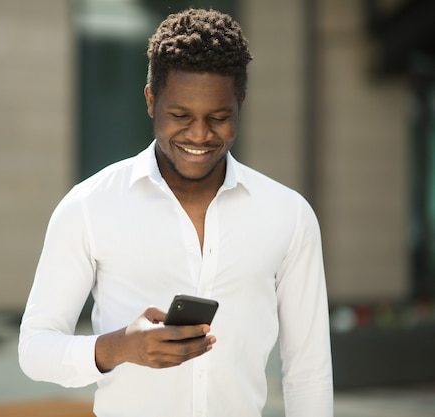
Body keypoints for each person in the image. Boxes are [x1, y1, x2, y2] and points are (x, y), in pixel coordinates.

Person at [18, 8, 333, 417]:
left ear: (240, 103)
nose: (199, 134)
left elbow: (308, 371)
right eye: (180, 116)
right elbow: (34, 348)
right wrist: (119, 348)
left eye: (218, 117)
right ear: (151, 101)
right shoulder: (88, 207)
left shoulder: (289, 216)